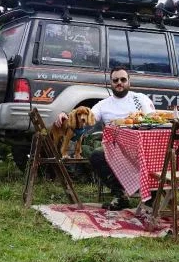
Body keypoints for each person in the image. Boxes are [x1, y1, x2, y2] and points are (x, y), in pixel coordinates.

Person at [55, 67, 155, 210]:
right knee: (96, 155)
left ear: (129, 82)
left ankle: (153, 195)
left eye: (123, 79)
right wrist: (66, 115)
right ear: (111, 83)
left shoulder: (140, 99)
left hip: (140, 147)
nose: (119, 83)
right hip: (115, 149)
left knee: (157, 153)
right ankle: (120, 195)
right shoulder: (103, 104)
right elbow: (87, 117)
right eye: (115, 80)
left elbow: (154, 120)